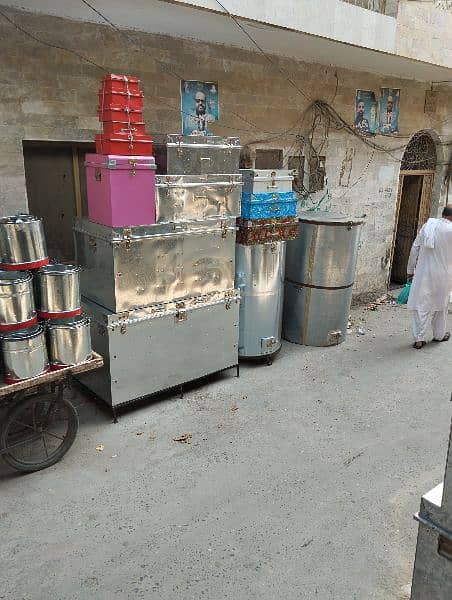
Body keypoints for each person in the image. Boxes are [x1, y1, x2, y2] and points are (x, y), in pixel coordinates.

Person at [407, 205, 452, 349]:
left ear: (443, 214)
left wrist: (410, 269)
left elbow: (415, 247)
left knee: (422, 304)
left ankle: (419, 339)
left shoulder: (428, 226)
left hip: (424, 273)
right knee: (442, 305)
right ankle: (439, 335)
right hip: (444, 274)